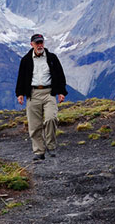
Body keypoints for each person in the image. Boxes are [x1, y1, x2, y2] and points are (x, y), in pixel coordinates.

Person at [15, 33, 67, 161]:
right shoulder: (26, 60)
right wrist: (20, 93)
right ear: (32, 44)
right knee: (34, 125)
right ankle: (39, 151)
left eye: (41, 42)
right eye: (37, 43)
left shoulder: (52, 58)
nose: (40, 45)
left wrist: (61, 92)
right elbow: (21, 78)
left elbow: (60, 75)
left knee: (51, 118)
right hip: (33, 94)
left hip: (49, 92)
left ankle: (51, 146)